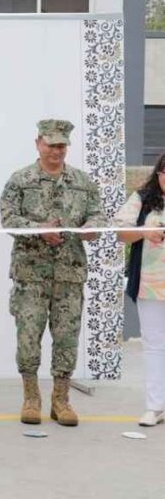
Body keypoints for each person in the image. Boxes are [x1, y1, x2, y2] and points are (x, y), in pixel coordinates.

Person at [1, 119, 105, 427]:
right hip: (30, 275)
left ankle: (61, 400)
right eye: (51, 144)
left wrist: (92, 229)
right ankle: (31, 398)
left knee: (66, 338)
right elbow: (8, 220)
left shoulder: (83, 182)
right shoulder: (20, 180)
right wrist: (38, 230)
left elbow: (98, 215)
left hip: (69, 275)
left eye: (61, 145)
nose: (56, 151)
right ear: (38, 143)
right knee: (29, 338)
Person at [117, 152, 165, 428]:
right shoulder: (141, 199)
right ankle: (154, 406)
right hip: (151, 285)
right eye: (164, 172)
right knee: (155, 346)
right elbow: (120, 232)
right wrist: (144, 232)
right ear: (157, 173)